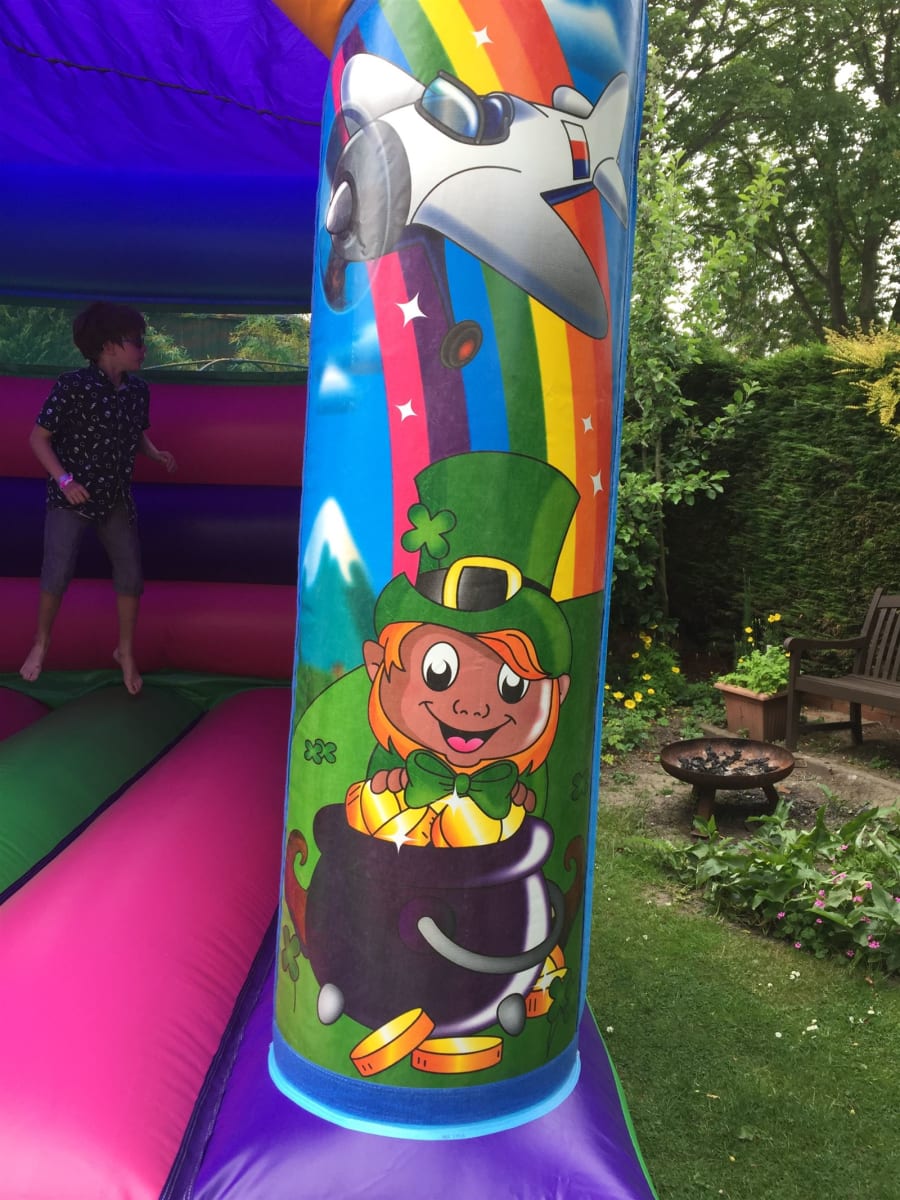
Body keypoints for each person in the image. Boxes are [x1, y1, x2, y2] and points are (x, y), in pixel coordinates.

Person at [19, 301, 176, 694]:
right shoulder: (73, 386)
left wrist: (153, 452)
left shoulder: (137, 391)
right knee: (58, 570)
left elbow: (134, 431)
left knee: (131, 575)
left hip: (115, 497)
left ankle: (125, 651)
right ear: (108, 346)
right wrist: (65, 480)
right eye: (136, 341)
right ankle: (41, 642)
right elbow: (38, 439)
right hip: (71, 498)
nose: (143, 348)